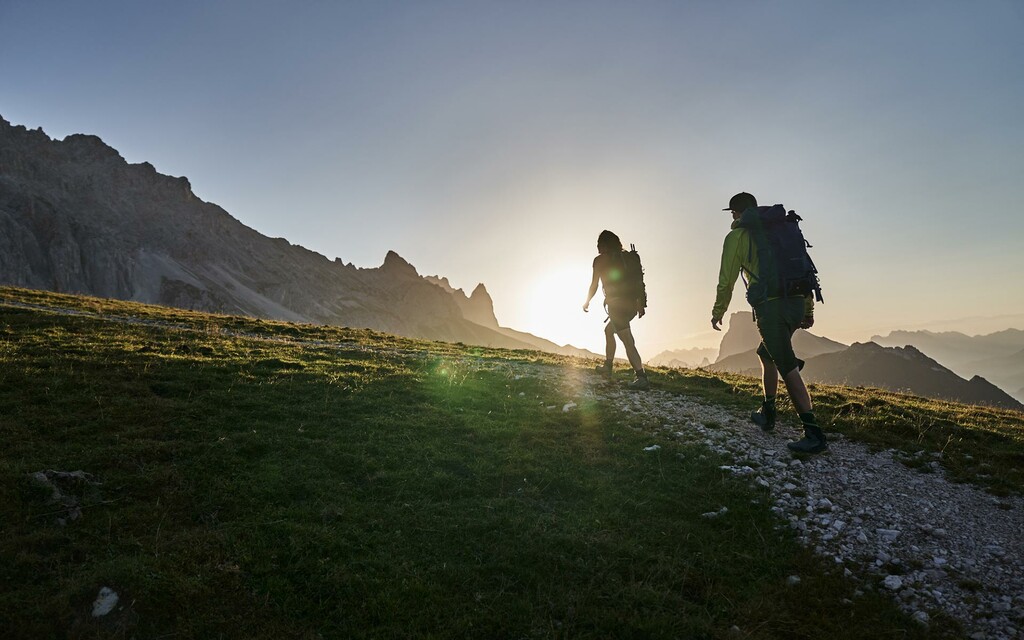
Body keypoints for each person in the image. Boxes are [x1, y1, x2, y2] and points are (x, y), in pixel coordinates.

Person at [711, 192, 826, 453]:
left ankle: (813, 433)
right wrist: (807, 309)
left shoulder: (737, 236)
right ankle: (768, 411)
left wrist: (718, 311)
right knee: (766, 353)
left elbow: (726, 280)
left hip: (772, 308)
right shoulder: (783, 229)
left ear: (736, 213)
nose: (732, 216)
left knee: (785, 364)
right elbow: (806, 268)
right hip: (796, 302)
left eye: (732, 212)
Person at [584, 230, 650, 390]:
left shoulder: (599, 261)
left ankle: (641, 377)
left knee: (627, 340)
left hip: (616, 307)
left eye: (599, 244)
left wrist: (587, 301)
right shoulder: (628, 257)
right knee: (609, 331)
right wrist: (640, 303)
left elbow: (594, 285)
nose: (597, 248)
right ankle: (608, 365)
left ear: (604, 245)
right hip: (631, 306)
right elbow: (638, 281)